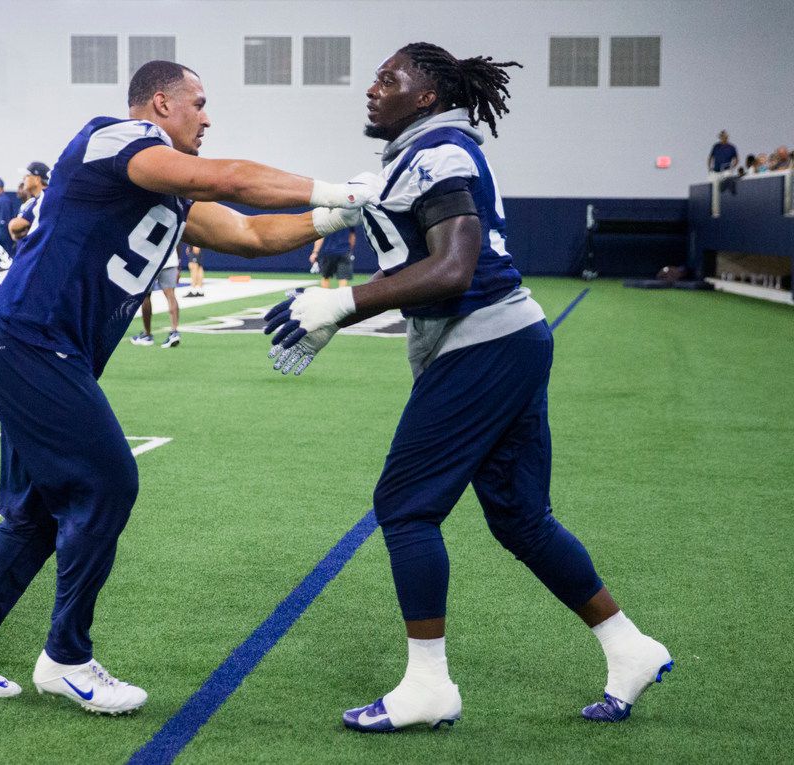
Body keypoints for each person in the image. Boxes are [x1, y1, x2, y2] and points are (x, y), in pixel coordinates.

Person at [0, 59, 375, 715]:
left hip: (40, 346)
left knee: (37, 511)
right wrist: (336, 188)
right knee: (107, 481)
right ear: (161, 103)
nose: (209, 117)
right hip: (32, 338)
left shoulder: (171, 186)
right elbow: (231, 178)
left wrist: (332, 218)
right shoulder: (116, 139)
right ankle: (66, 657)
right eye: (200, 103)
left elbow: (245, 233)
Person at [263, 42, 673, 732]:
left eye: (388, 79)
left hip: (483, 341)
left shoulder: (442, 150)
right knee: (520, 516)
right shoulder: (418, 157)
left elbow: (454, 269)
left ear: (426, 95)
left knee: (405, 506)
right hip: (508, 338)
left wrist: (343, 303)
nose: (372, 89)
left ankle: (428, 686)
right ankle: (628, 646)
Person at [131, 245, 181, 348]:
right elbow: (178, 239)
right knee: (171, 295)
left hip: (149, 260)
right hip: (169, 259)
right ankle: (174, 332)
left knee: (145, 296)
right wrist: (178, 263)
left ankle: (147, 334)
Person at [8, 161, 50, 255]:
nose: (23, 179)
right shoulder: (33, 201)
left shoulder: (45, 200)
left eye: (27, 176)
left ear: (37, 179)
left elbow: (15, 226)